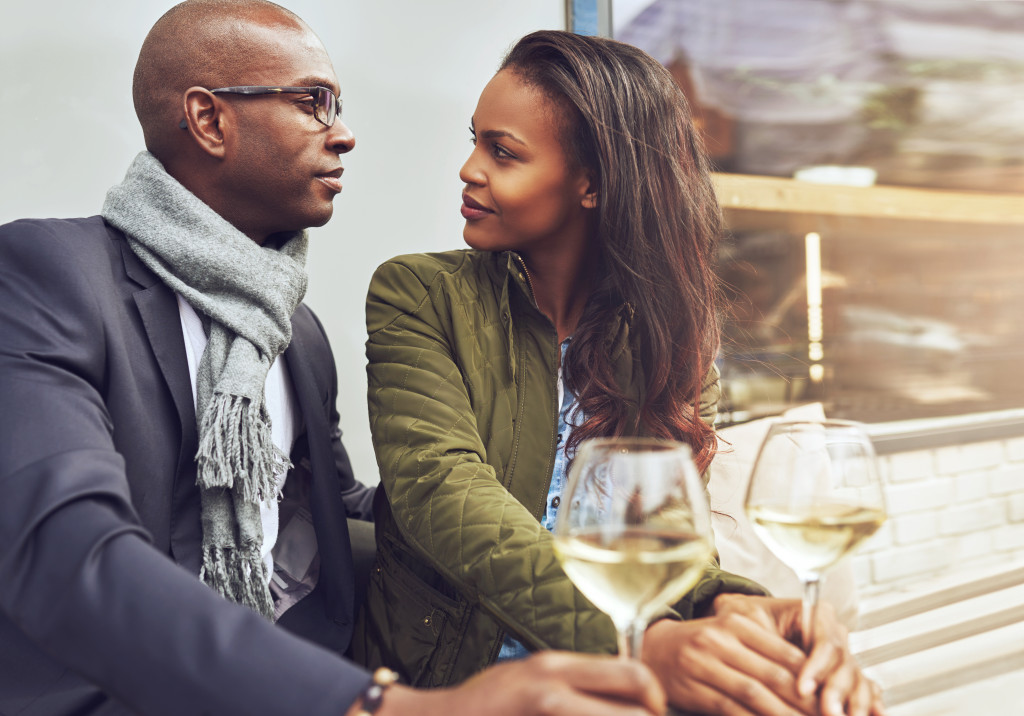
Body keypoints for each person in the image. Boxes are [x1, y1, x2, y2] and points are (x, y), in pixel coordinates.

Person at [0, 4, 669, 715]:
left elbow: (321, 515)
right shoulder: (48, 275)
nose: (344, 133)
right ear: (208, 121)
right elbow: (69, 549)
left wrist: (476, 472)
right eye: (313, 103)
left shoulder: (299, 333)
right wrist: (377, 704)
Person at [357, 30, 885, 716]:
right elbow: (445, 497)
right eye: (476, 140)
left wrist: (758, 617)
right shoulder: (418, 294)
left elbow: (669, 547)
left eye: (503, 152)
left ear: (592, 183)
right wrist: (641, 644)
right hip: (453, 685)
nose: (468, 168)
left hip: (617, 684)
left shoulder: (669, 344)